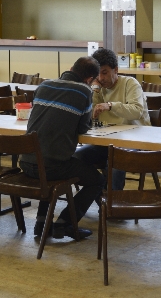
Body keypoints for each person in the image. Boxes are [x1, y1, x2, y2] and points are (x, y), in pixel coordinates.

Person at [19, 56, 104, 240]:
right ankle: (64, 224)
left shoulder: (44, 85)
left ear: (71, 68)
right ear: (89, 79)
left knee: (46, 166)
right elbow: (83, 128)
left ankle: (41, 224)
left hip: (26, 162)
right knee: (97, 180)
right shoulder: (84, 91)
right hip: (52, 167)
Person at [74, 48, 150, 190]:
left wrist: (110, 106)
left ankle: (112, 202)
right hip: (107, 141)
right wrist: (94, 91)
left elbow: (137, 111)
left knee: (116, 160)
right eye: (97, 74)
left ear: (115, 69)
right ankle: (101, 192)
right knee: (76, 158)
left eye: (105, 73)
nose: (101, 78)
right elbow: (89, 114)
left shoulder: (130, 83)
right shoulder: (98, 88)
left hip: (135, 141)